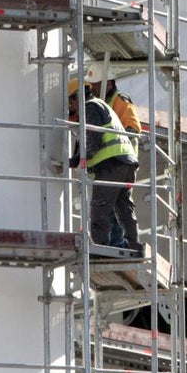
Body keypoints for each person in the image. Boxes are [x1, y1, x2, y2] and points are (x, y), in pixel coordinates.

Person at [67, 78, 142, 255]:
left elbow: (94, 139)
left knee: (99, 208)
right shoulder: (100, 104)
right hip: (126, 163)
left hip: (111, 164)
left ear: (76, 97)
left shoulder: (90, 107)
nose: (71, 107)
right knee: (124, 208)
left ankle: (100, 248)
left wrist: (76, 161)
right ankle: (135, 246)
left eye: (70, 102)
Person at [93, 78, 141, 247]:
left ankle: (117, 242)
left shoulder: (119, 100)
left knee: (112, 204)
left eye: (97, 85)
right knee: (119, 204)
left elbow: (133, 127)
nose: (94, 88)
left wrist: (116, 144)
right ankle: (124, 242)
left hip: (120, 160)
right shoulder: (101, 103)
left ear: (110, 83)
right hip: (117, 161)